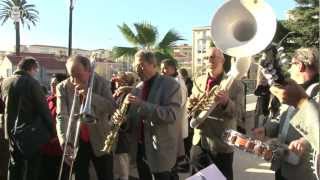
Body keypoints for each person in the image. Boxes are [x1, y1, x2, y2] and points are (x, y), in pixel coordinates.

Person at [252, 47, 319, 180]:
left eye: (290, 65)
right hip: (282, 165)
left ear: (299, 66)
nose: (288, 69)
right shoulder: (292, 88)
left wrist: (304, 141)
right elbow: (281, 117)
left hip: (303, 172)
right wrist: (265, 130)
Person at [56, 55, 116, 180]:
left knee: (106, 175)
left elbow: (111, 108)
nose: (73, 80)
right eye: (70, 75)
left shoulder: (102, 83)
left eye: (77, 75)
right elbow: (62, 115)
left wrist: (90, 95)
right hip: (76, 139)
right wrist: (65, 141)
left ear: (89, 71)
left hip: (101, 138)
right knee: (79, 176)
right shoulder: (62, 87)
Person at [189, 47, 244, 180]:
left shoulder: (236, 84)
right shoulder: (198, 80)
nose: (209, 61)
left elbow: (238, 113)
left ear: (223, 60)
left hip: (221, 144)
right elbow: (193, 107)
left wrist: (226, 102)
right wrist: (191, 105)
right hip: (199, 141)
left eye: (213, 57)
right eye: (207, 58)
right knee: (198, 178)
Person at [126, 50, 182, 180]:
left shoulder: (171, 84)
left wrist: (142, 105)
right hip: (141, 149)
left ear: (153, 65)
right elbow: (134, 119)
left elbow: (171, 115)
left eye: (141, 65)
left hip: (160, 150)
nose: (137, 69)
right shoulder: (137, 88)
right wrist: (124, 121)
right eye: (135, 66)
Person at [0, 57, 53, 180]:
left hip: (10, 131)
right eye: (36, 70)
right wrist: (52, 130)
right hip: (29, 132)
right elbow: (43, 109)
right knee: (31, 167)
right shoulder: (32, 83)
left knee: (14, 165)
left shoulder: (5, 82)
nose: (36, 73)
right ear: (32, 69)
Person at [161, 59, 188, 177]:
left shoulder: (177, 84)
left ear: (173, 69)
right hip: (171, 130)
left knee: (172, 168)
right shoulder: (170, 81)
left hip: (174, 130)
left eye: (165, 68)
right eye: (161, 68)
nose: (162, 71)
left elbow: (177, 107)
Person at [40, 73, 68, 180]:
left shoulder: (68, 102)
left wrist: (58, 138)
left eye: (55, 84)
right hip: (46, 148)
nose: (52, 86)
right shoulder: (47, 100)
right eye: (51, 84)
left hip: (59, 149)